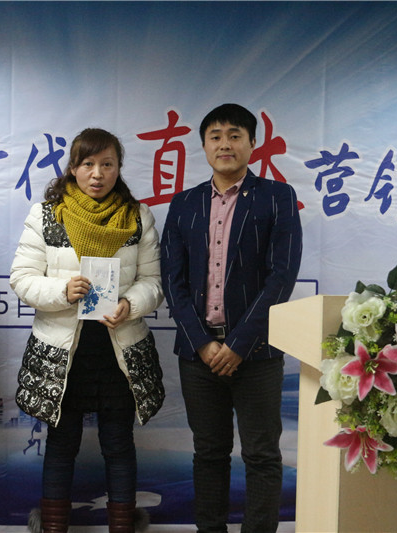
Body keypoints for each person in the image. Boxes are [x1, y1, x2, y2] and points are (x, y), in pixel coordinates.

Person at [10, 128, 165, 533]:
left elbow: (153, 282)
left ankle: (123, 526)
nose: (97, 173)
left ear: (118, 168)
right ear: (73, 168)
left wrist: (130, 305)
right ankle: (53, 527)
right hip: (64, 353)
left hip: (119, 351)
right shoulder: (46, 214)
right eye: (88, 164)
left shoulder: (137, 217)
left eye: (107, 164)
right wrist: (62, 291)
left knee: (119, 445)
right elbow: (22, 279)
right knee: (61, 446)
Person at [160, 104, 302, 533]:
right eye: (216, 136)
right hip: (198, 354)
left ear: (252, 143)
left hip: (256, 353)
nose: (225, 144)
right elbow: (172, 280)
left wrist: (239, 344)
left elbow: (281, 277)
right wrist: (203, 342)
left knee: (261, 455)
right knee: (209, 454)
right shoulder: (184, 204)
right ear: (204, 146)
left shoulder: (277, 197)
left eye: (235, 135)